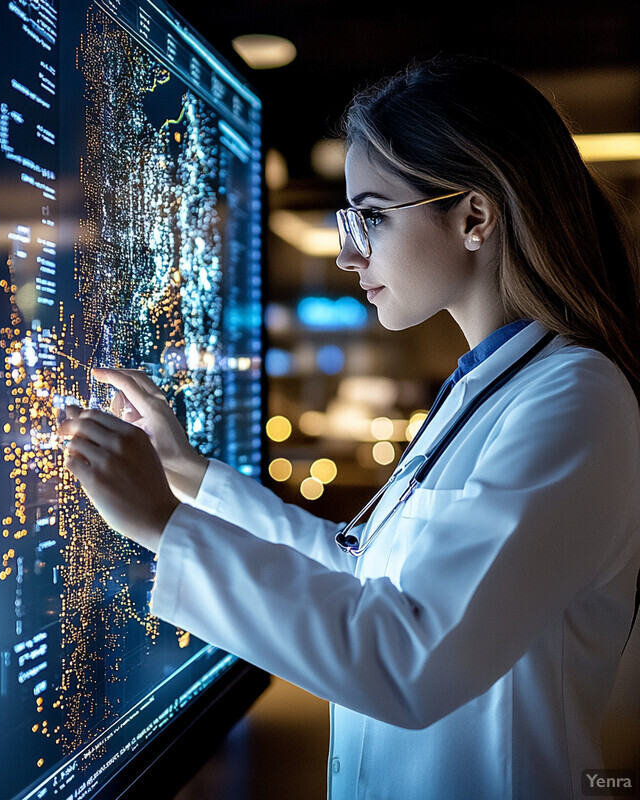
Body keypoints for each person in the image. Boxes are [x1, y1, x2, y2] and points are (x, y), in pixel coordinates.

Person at [60, 53, 640, 800]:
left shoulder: (575, 401)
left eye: (370, 216)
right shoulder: (493, 389)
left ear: (473, 217)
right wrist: (190, 476)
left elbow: (407, 659)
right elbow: (362, 575)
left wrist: (164, 526)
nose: (344, 251)